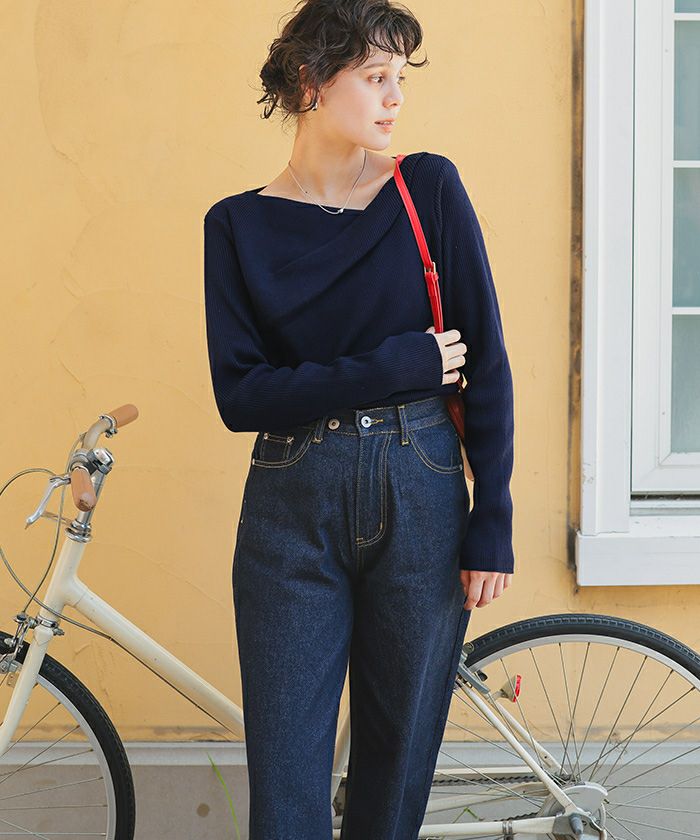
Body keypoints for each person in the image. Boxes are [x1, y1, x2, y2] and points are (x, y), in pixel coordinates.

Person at [203, 1, 515, 837]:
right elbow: (242, 396)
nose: (394, 98)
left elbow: (484, 358)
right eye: (375, 77)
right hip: (291, 501)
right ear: (311, 81)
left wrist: (494, 517)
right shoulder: (236, 226)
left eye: (400, 78)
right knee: (286, 789)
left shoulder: (427, 187)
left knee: (395, 769)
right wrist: (395, 366)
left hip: (423, 489)